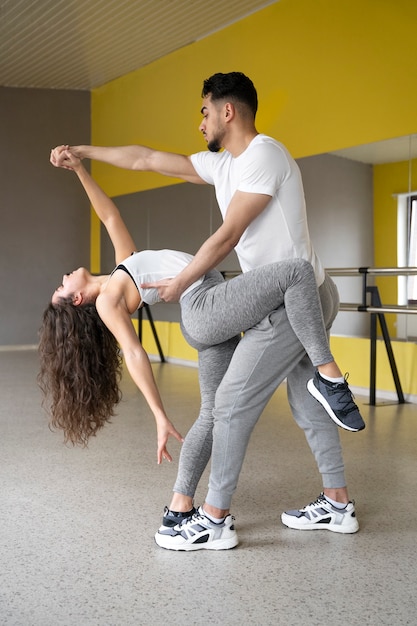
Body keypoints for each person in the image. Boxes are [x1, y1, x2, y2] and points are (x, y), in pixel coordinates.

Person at [53, 71, 364, 550]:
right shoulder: (223, 168)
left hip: (287, 299)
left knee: (234, 406)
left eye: (203, 111)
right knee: (290, 404)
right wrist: (83, 154)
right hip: (288, 295)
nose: (199, 123)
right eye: (201, 113)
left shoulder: (263, 155)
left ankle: (212, 517)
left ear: (228, 111)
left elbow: (218, 229)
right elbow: (147, 160)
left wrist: (82, 160)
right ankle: (335, 501)